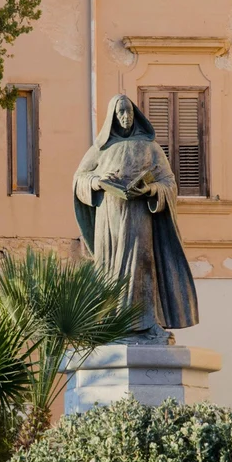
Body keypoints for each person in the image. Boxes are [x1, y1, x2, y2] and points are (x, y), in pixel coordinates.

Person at [73, 94, 198, 343]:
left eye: (128, 112)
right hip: (109, 221)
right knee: (110, 270)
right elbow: (79, 179)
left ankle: (147, 324)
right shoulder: (101, 149)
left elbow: (169, 182)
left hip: (140, 217)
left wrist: (150, 190)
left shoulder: (150, 148)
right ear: (113, 117)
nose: (125, 117)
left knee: (142, 265)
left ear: (136, 115)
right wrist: (98, 181)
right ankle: (109, 323)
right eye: (120, 113)